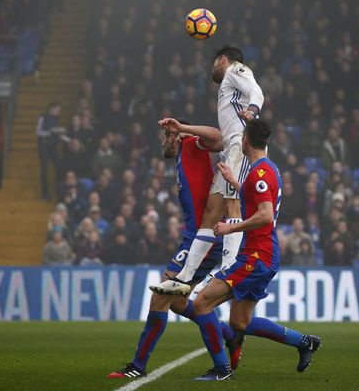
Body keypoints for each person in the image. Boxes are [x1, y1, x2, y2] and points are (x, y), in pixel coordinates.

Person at [188, 118, 320, 381]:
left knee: (202, 303)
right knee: (240, 323)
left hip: (256, 257)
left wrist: (230, 228)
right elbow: (256, 199)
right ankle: (304, 342)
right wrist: (233, 181)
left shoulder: (259, 174)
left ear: (245, 140)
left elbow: (265, 215)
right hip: (263, 255)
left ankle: (222, 370)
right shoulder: (266, 170)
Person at [107, 119, 232, 379]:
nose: (163, 141)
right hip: (194, 238)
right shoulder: (181, 157)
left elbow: (219, 138)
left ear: (175, 135)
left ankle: (138, 366)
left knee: (160, 297)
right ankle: (227, 335)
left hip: (204, 240)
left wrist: (184, 129)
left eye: (166, 136)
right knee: (177, 303)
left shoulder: (191, 143)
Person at [150, 45, 264, 297]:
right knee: (212, 213)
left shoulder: (236, 69)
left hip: (241, 145)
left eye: (214, 62)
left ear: (222, 59)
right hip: (230, 150)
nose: (212, 68)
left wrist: (253, 110)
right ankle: (184, 278)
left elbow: (256, 91)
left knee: (232, 205)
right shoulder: (227, 87)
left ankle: (228, 268)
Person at [36, 102, 65, 200]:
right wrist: (51, 131)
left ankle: (58, 191)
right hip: (44, 146)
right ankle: (45, 193)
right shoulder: (42, 117)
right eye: (58, 110)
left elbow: (56, 133)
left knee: (59, 166)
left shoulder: (56, 119)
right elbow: (38, 132)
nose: (59, 112)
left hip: (53, 146)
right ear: (52, 108)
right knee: (44, 169)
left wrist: (63, 135)